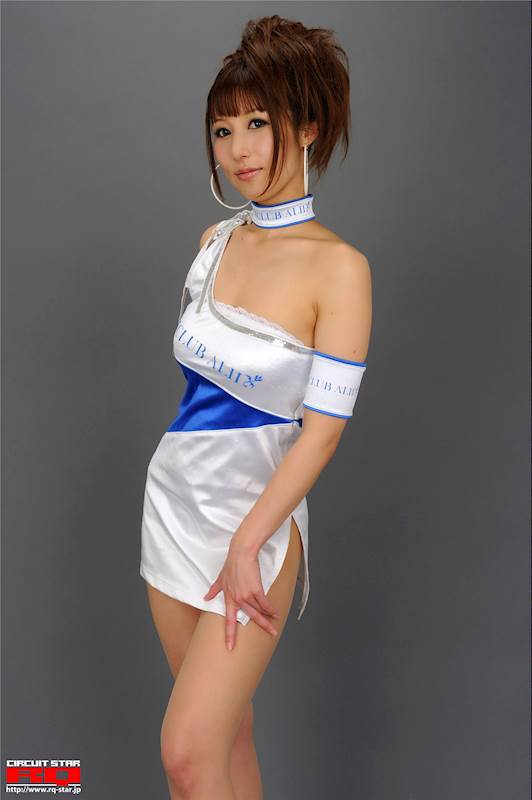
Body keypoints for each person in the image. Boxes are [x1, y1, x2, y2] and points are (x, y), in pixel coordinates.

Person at [139, 14, 372, 800]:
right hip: (175, 507)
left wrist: (249, 541)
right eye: (222, 128)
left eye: (258, 123)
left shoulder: (341, 270)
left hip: (260, 525)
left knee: (185, 751)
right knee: (224, 741)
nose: (238, 148)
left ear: (307, 126)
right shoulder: (214, 242)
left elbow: (323, 434)